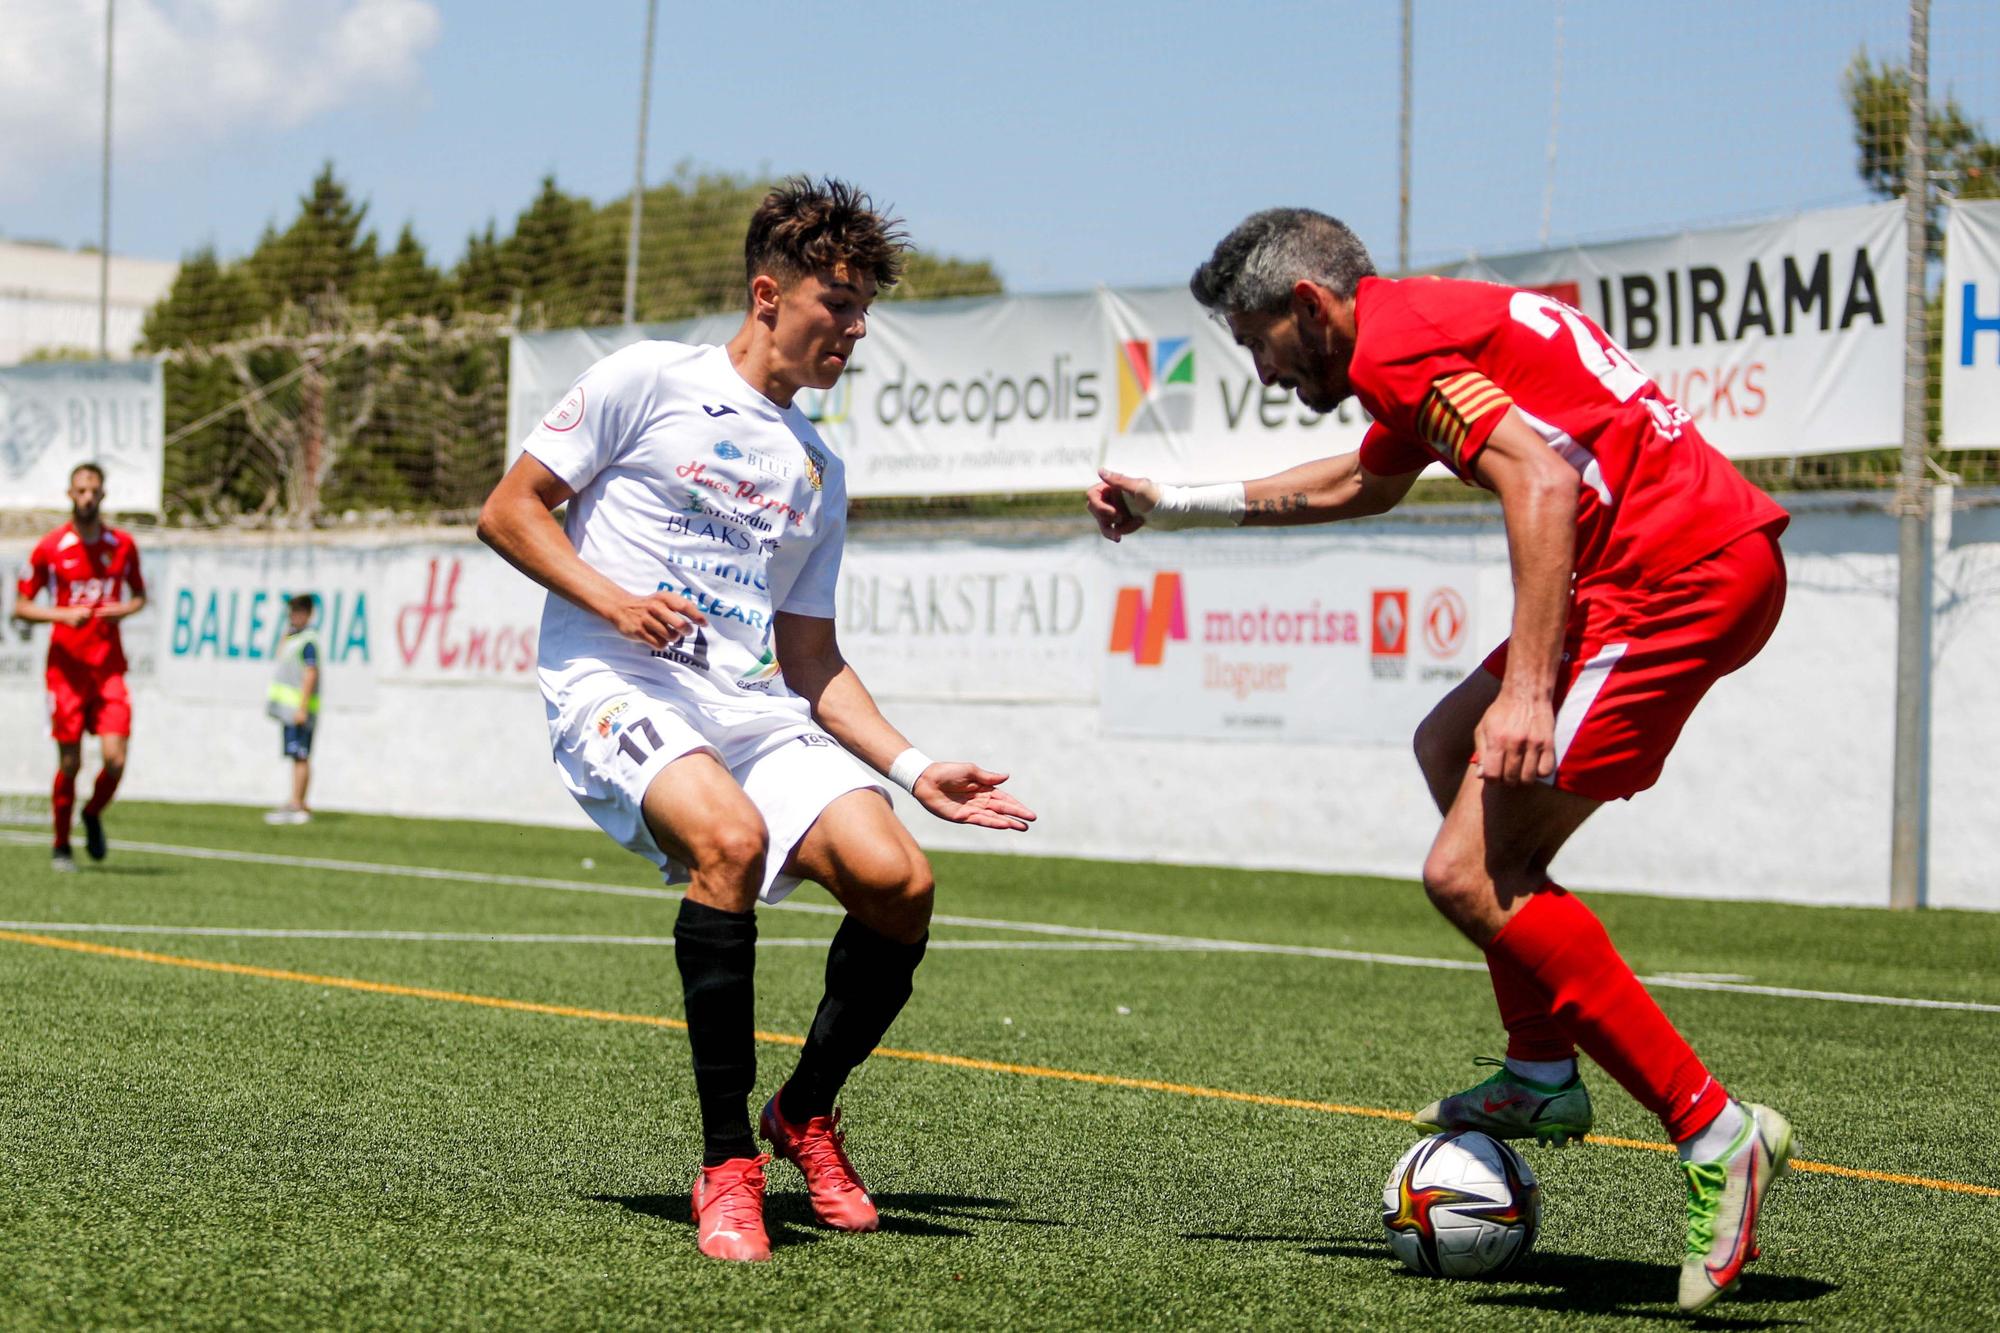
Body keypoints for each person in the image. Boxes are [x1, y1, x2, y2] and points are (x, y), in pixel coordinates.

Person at [1088, 208, 1792, 1316]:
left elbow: (1542, 486)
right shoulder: (1413, 332)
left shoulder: (1395, 343)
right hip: (1652, 565)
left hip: (1668, 578)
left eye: (1254, 343)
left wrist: (1526, 689)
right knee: (1441, 743)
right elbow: (1358, 484)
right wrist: (1168, 501)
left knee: (1464, 873)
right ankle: (1541, 1072)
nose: (1261, 373)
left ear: (1308, 307)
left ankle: (1714, 1127)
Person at [478, 177, 1035, 1264]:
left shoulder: (819, 468)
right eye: (840, 300)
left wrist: (915, 768)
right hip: (613, 683)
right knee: (726, 839)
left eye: (867, 305)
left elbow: (813, 659)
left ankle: (804, 1112)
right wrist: (611, 599)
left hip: (749, 707)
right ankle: (727, 1160)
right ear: (767, 293)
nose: (857, 326)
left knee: (899, 882)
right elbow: (507, 510)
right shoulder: (647, 379)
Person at [11, 463, 147, 872]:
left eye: (94, 491)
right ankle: (60, 844)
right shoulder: (51, 548)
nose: (87, 497)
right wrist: (60, 615)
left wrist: (121, 610)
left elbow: (139, 596)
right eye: (80, 490)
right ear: (70, 495)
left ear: (103, 495)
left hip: (108, 669)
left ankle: (92, 813)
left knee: (116, 759)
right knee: (69, 762)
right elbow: (20, 606)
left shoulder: (122, 545)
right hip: (66, 671)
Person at [264, 593, 321, 825]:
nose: (293, 617)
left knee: (301, 755)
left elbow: (310, 673)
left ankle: (299, 804)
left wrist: (302, 707)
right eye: (291, 612)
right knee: (295, 755)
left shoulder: (308, 640)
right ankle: (296, 800)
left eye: (297, 612)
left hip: (299, 710)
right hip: (289, 710)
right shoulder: (293, 638)